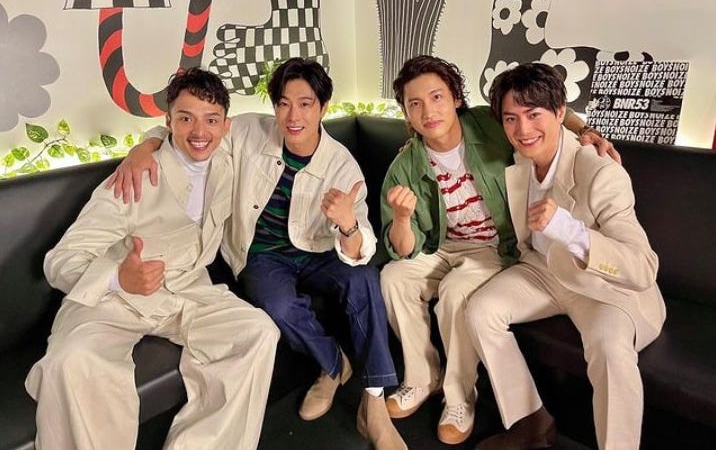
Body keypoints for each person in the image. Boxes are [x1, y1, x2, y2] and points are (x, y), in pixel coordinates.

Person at [109, 57, 407, 450]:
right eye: (283, 104)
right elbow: (194, 129)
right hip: (263, 254)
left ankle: (375, 404)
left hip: (319, 251)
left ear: (323, 107)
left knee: (365, 278)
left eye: (305, 104)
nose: (293, 116)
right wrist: (144, 147)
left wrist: (348, 223)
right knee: (276, 304)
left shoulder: (341, 165)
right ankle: (334, 365)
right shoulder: (250, 131)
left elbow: (360, 249)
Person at [25, 68, 280, 450]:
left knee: (258, 332)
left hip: (188, 291)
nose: (199, 131)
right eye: (186, 119)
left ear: (226, 126)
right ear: (169, 121)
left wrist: (148, 140)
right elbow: (60, 259)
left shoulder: (227, 159)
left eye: (211, 120)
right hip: (116, 299)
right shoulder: (133, 180)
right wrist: (118, 278)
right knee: (72, 362)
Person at [380, 55, 619, 445]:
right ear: (406, 113)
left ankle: (460, 397)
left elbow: (541, 108)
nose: (428, 111)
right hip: (442, 245)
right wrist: (403, 218)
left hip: (493, 244)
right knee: (393, 278)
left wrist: (585, 130)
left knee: (456, 291)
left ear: (456, 98)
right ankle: (422, 378)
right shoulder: (404, 165)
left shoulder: (488, 123)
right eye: (415, 103)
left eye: (437, 97)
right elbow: (403, 249)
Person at [466, 63, 665, 450]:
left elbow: (643, 267)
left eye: (534, 115)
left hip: (601, 286)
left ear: (559, 113)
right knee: (480, 309)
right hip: (542, 271)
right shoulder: (519, 156)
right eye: (511, 118)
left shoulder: (601, 171)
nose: (522, 129)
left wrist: (568, 229)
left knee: (610, 347)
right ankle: (531, 423)